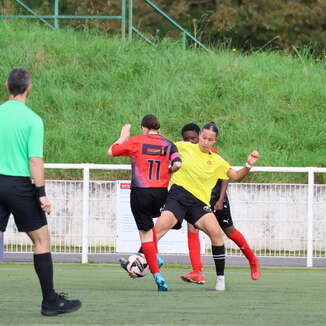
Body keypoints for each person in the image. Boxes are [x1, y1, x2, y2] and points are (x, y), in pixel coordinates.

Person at [0, 68, 81, 316]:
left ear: (6, 86)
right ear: (29, 88)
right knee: (41, 241)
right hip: (20, 186)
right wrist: (41, 193)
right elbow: (35, 160)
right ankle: (50, 302)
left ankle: (51, 301)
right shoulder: (33, 120)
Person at [154, 122, 260, 291]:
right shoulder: (183, 147)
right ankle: (139, 259)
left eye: (210, 139)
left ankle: (223, 277)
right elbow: (162, 148)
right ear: (199, 136)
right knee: (160, 227)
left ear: (214, 141)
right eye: (203, 138)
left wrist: (248, 165)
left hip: (202, 202)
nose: (205, 142)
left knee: (219, 232)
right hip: (179, 197)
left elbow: (235, 176)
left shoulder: (217, 160)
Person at [107, 114, 181, 291]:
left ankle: (157, 275)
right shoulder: (168, 144)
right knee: (153, 230)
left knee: (145, 235)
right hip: (160, 192)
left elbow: (111, 151)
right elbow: (178, 164)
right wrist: (167, 172)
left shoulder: (136, 141)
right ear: (158, 128)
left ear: (143, 127)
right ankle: (156, 257)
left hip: (141, 192)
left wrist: (123, 136)